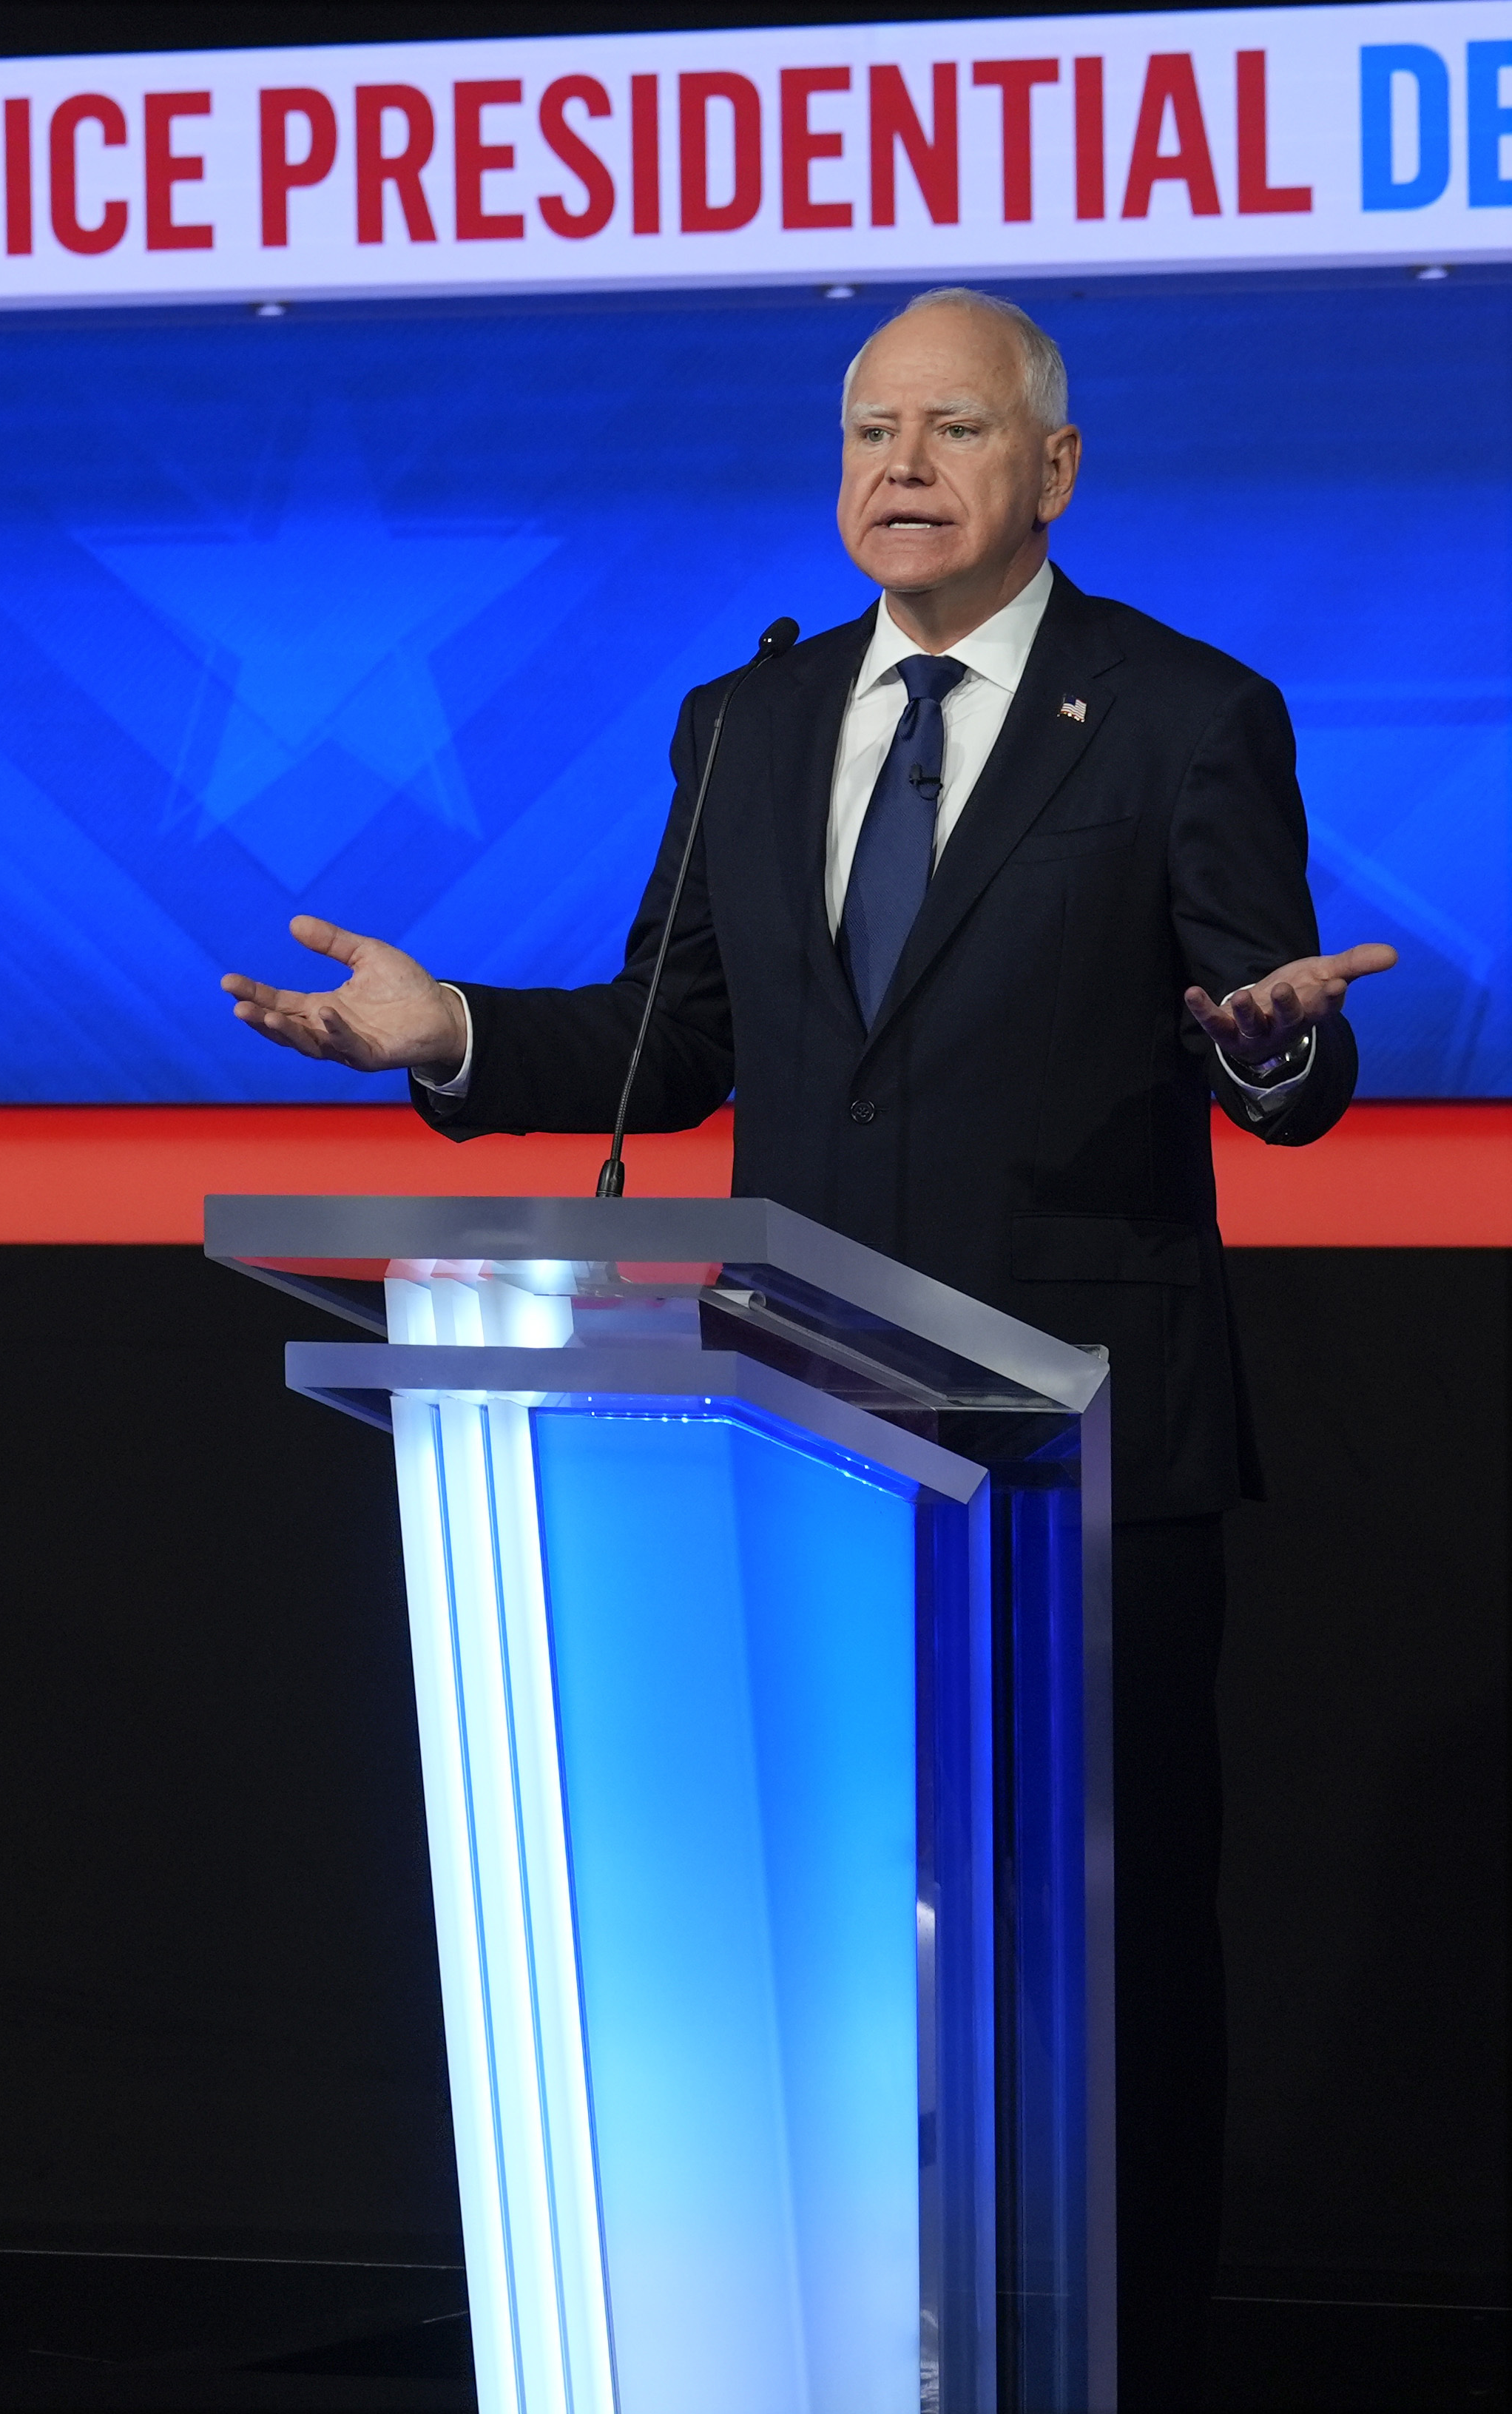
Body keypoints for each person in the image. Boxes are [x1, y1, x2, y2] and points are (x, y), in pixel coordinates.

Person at [218, 286, 1392, 2405]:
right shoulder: (747, 720)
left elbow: (1268, 1035)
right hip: (801, 1435)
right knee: (841, 1969)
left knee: (1101, 1985)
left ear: (1054, 467)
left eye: (955, 428)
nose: (903, 467)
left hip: (1080, 1463)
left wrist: (1278, 1060)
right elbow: (676, 1038)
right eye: (871, 428)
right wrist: (454, 1034)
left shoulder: (1181, 716)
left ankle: (1114, 2368)